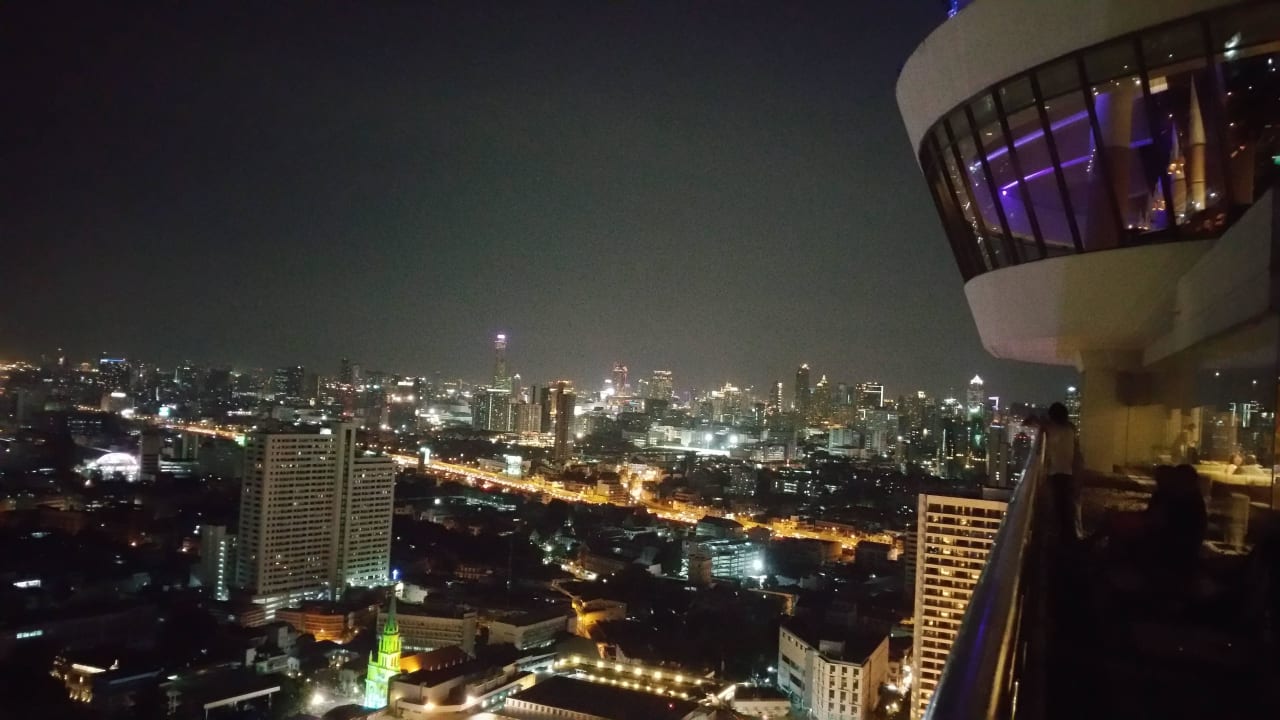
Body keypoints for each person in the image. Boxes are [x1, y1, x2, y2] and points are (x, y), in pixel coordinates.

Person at [1044, 401, 1080, 541]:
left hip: (1058, 474)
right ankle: (1069, 537)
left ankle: (1067, 540)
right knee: (1067, 507)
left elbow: (1037, 423)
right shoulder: (1070, 429)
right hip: (1069, 472)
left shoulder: (1052, 429)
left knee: (1060, 507)